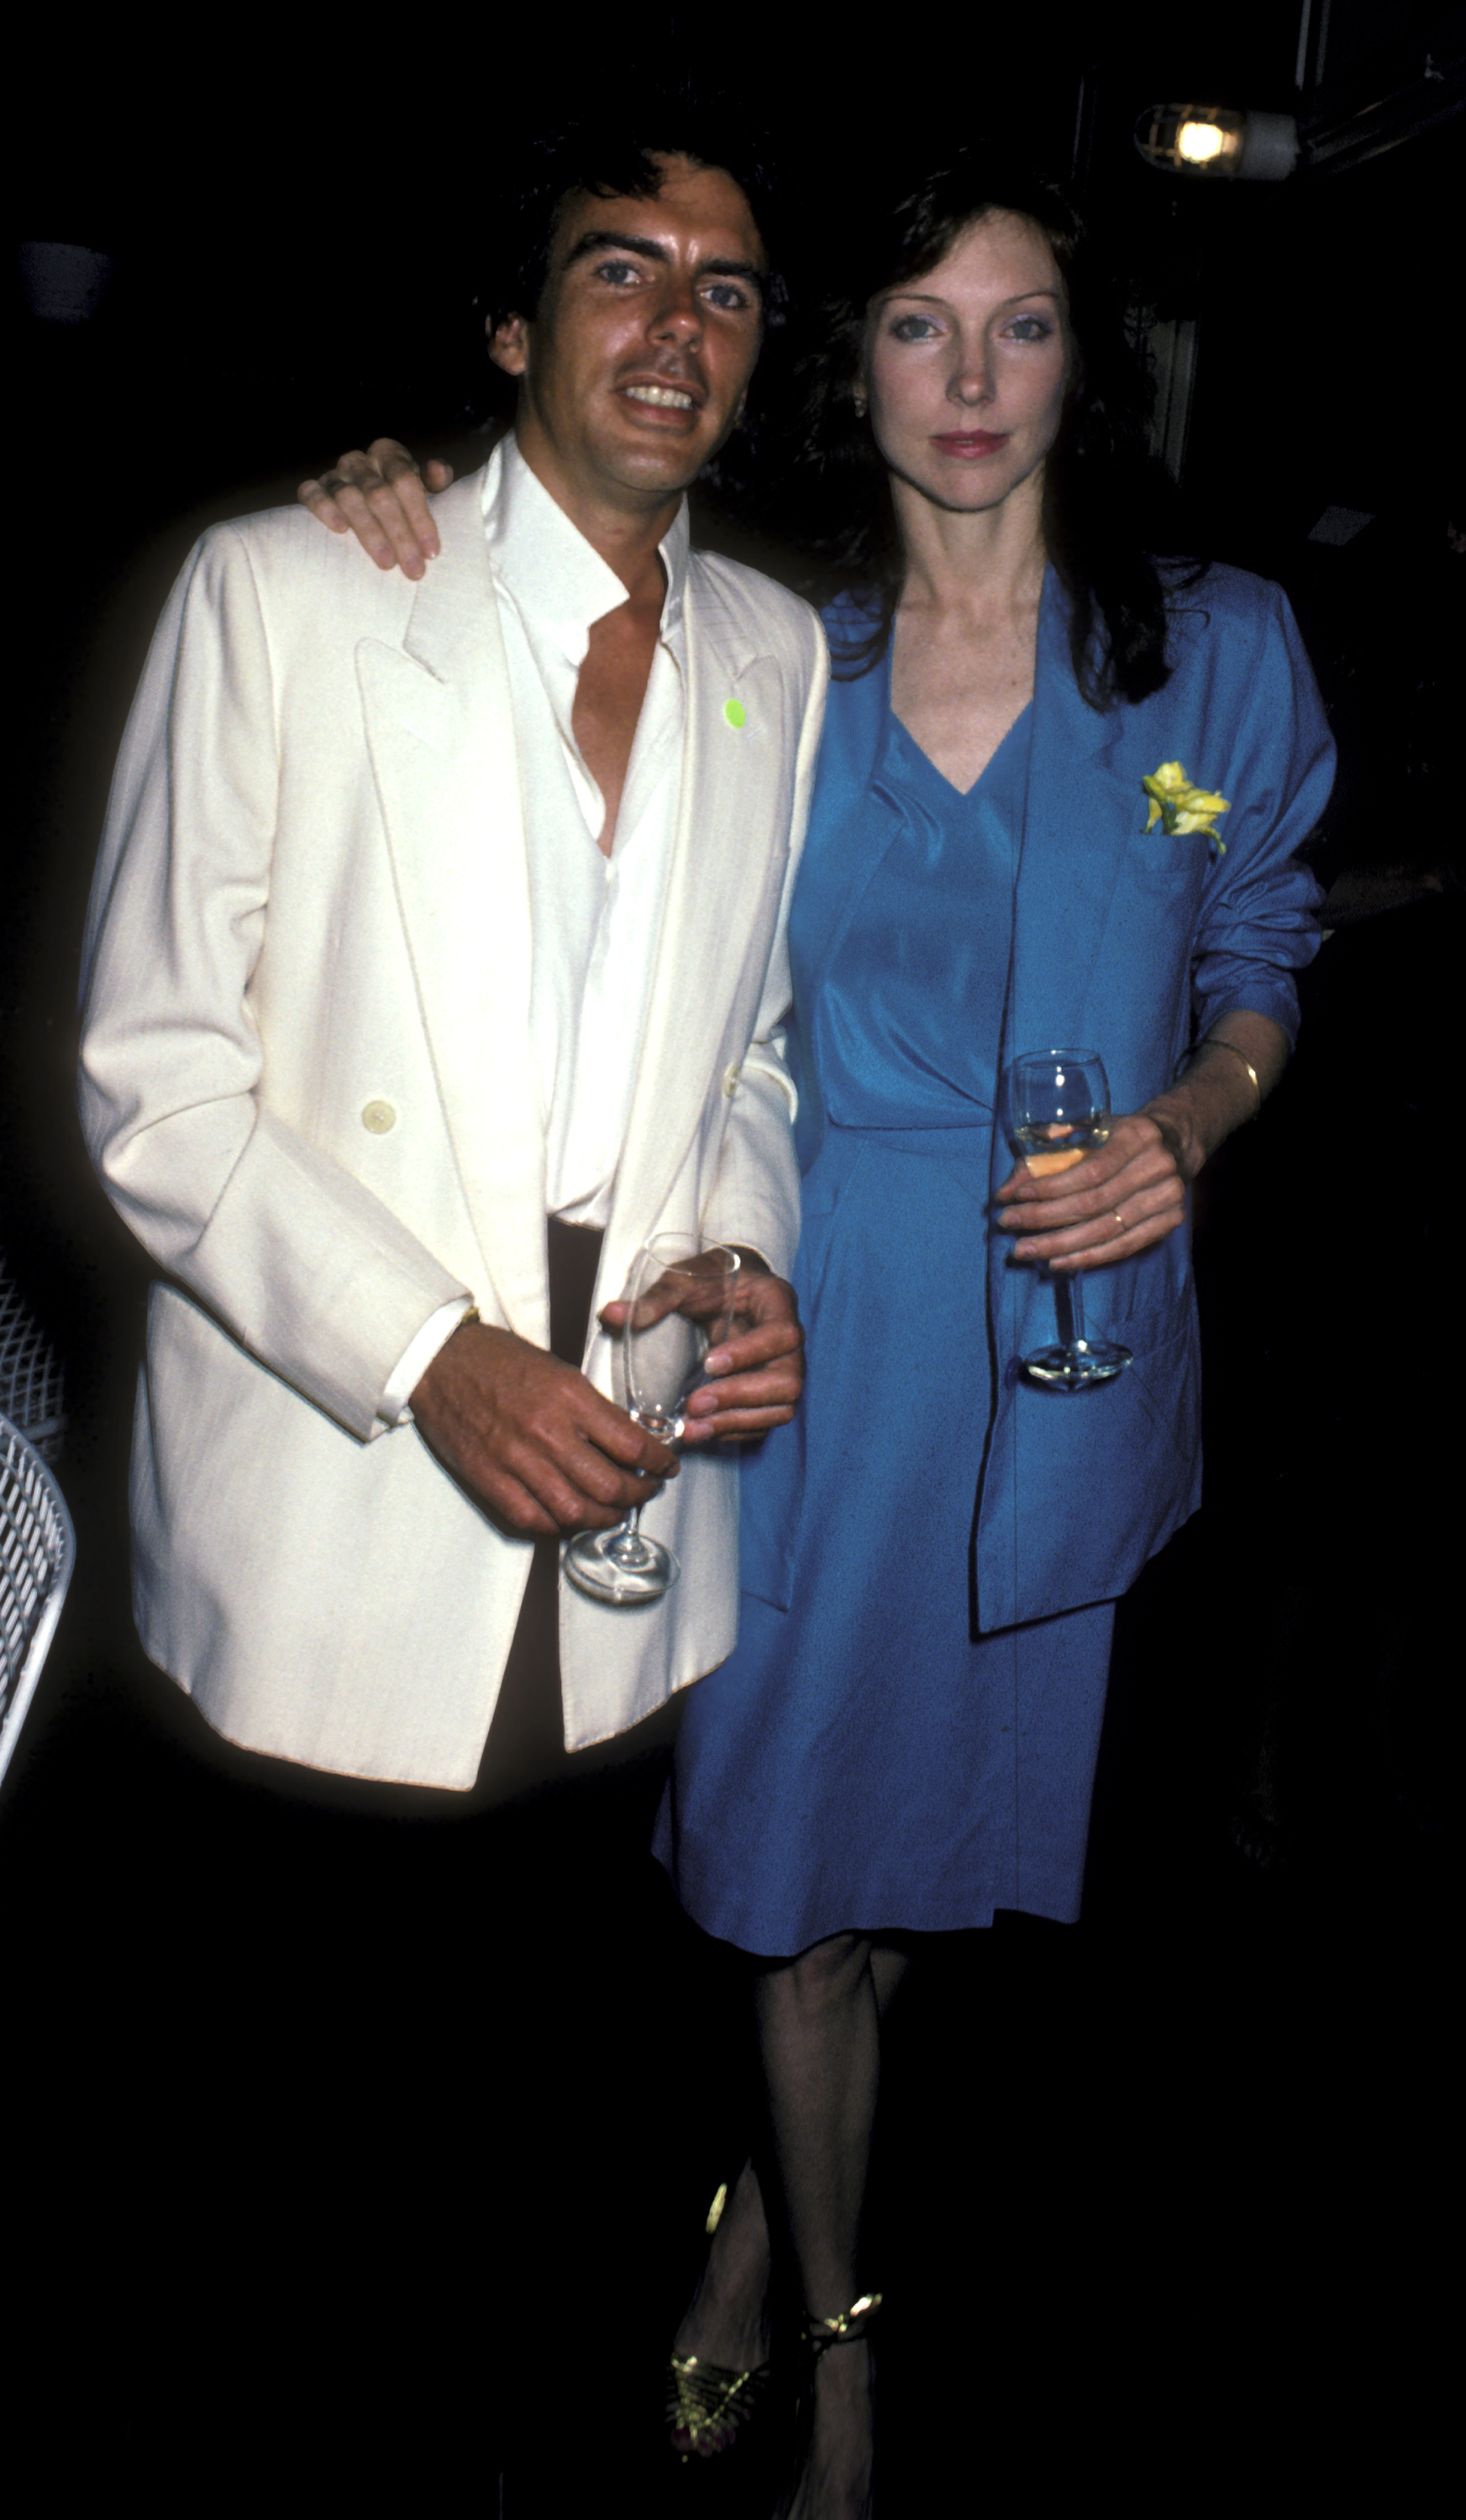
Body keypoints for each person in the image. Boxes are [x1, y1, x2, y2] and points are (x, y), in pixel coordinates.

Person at [298, 152, 1332, 2520]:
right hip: (803, 1348)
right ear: (840, 362)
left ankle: (777, 2207)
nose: (969, 386)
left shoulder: (1181, 670)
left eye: (1023, 326)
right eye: (912, 328)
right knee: (784, 1869)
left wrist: (1196, 1110)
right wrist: (381, 492)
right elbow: (502, 690)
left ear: (1095, 355)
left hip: (1063, 1345)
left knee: (922, 1859)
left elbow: (1235, 894)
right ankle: (839, 2346)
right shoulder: (771, 661)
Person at [76, 130, 825, 1809]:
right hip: (331, 1494)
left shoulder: (779, 656)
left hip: (634, 1517)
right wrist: (430, 1354)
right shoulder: (283, 594)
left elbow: (753, 1047)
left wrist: (746, 1248)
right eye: (619, 268)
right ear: (512, 330)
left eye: (725, 290)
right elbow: (155, 1086)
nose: (676, 328)